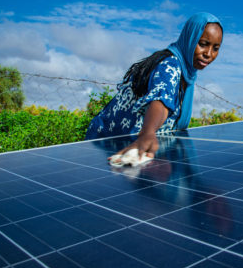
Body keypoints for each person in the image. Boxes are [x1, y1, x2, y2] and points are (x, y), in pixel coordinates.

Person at [84, 12, 223, 162]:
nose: (208, 54)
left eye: (215, 48)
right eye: (203, 44)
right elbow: (161, 101)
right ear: (189, 38)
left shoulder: (187, 73)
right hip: (105, 142)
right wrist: (148, 132)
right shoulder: (170, 65)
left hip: (132, 143)